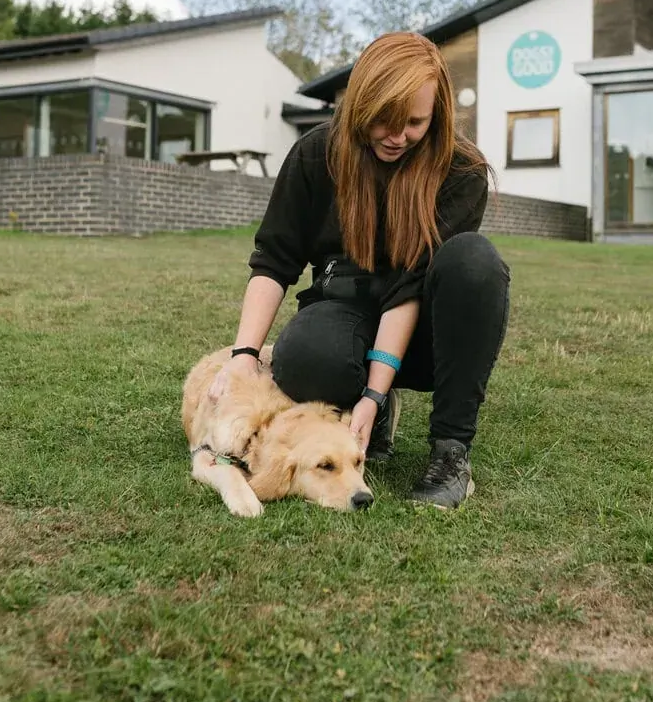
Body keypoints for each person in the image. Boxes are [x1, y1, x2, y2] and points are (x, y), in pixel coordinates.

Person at [209, 32, 510, 509]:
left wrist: (374, 387)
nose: (397, 136)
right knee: (304, 359)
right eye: (384, 121)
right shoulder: (316, 153)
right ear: (359, 106)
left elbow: (408, 286)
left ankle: (451, 450)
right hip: (344, 308)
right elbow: (274, 259)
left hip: (423, 332)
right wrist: (244, 354)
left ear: (438, 114)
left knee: (473, 261)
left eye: (414, 122)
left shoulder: (461, 171)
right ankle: (367, 408)